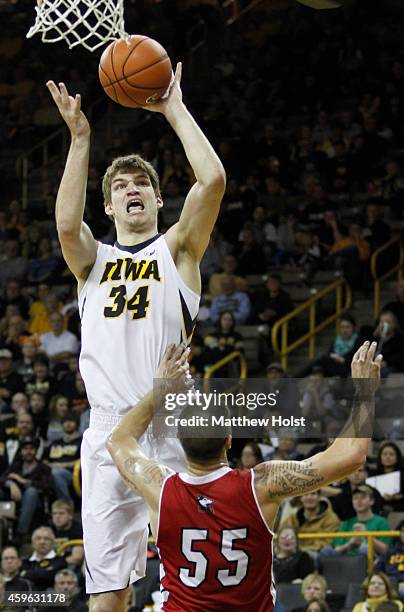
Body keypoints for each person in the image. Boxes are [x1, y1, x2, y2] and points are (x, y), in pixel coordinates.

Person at [47, 61, 226, 611]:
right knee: (108, 591)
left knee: (203, 577)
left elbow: (213, 181)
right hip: (110, 427)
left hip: (174, 420)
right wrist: (80, 141)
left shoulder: (177, 250)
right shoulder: (91, 263)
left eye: (142, 183)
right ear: (109, 205)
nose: (133, 189)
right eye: (121, 185)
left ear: (155, 200)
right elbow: (64, 225)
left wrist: (173, 106)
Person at [107, 340, 382, 610]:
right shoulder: (261, 485)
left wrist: (161, 390)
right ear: (228, 440)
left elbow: (118, 441)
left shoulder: (159, 488)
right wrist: (365, 390)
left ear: (180, 441)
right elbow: (351, 455)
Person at [320, 485, 391, 558]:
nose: (359, 501)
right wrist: (350, 543)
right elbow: (336, 549)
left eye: (363, 497)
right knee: (326, 551)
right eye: (355, 498)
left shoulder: (382, 522)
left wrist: (367, 535)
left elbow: (385, 550)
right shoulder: (346, 523)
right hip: (346, 560)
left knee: (364, 549)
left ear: (371, 501)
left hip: (371, 563)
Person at [375, 520, 404, 598]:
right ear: (400, 534)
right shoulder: (390, 553)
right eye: (403, 531)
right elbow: (376, 571)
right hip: (390, 584)